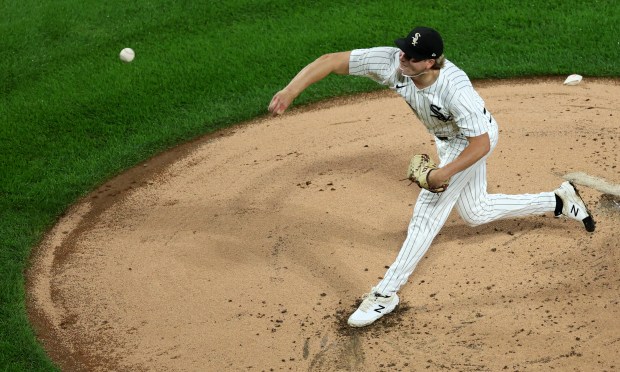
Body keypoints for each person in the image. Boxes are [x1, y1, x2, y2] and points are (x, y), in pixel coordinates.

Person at [268, 26, 596, 327]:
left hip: (471, 141)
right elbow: (331, 61)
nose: (402, 58)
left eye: (411, 57)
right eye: (402, 51)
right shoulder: (393, 62)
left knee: (426, 216)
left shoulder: (455, 90)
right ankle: (560, 199)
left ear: (429, 63)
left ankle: (385, 294)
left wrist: (443, 173)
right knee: (475, 212)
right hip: (449, 139)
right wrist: (290, 90)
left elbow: (480, 143)